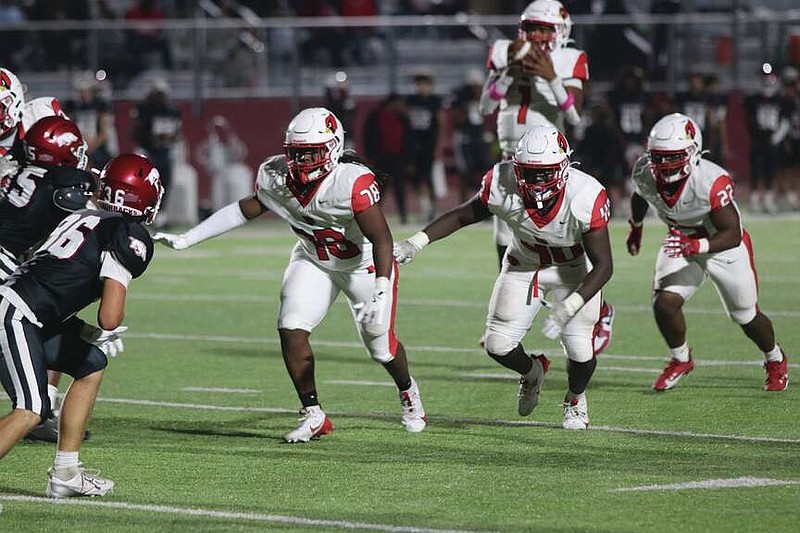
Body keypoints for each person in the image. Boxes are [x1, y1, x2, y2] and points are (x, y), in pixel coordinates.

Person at [153, 107, 426, 442]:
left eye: (311, 153)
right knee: (291, 327)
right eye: (297, 154)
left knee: (380, 347)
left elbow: (382, 239)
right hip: (313, 260)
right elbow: (245, 209)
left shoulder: (351, 182)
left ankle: (408, 392)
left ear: (333, 148)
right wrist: (188, 238)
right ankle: (313, 414)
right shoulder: (275, 175)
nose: (303, 162)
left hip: (363, 266)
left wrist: (382, 288)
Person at [395, 125, 613, 429]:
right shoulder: (501, 181)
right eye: (529, 171)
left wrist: (571, 304)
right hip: (524, 263)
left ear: (564, 167)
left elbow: (604, 266)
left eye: (545, 171)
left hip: (572, 270)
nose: (537, 180)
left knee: (579, 349)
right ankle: (532, 371)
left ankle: (575, 398)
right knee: (497, 343)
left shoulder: (585, 195)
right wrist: (415, 242)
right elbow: (461, 215)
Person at [0, 152, 162, 497]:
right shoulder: (124, 233)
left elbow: (59, 283)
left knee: (91, 364)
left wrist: (86, 334)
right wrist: (105, 327)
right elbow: (110, 316)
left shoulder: (82, 216)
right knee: (31, 408)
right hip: (15, 314)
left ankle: (66, 473)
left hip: (25, 310)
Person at [478, 1, 613, 355]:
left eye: (544, 29)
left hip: (549, 164)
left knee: (570, 240)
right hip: (512, 163)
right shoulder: (505, 54)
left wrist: (550, 77)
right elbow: (485, 107)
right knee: (505, 243)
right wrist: (509, 73)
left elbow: (576, 115)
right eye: (531, 28)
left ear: (561, 30)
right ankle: (508, 315)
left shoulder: (570, 59)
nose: (537, 36)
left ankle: (599, 306)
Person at [626, 113, 788, 392]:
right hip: (681, 240)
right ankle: (681, 359)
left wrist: (697, 247)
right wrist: (637, 226)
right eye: (658, 157)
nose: (663, 164)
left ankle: (775, 359)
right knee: (664, 303)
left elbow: (733, 233)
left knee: (745, 315)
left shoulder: (711, 181)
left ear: (692, 152)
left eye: (672, 156)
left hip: (722, 246)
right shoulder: (644, 172)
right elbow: (642, 194)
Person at [0, 116, 96, 443]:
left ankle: (35, 408)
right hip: (2, 263)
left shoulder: (18, 172)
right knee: (21, 317)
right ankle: (35, 409)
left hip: (8, 257)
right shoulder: (63, 188)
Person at [130, 77, 181, 225]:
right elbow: (136, 132)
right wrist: (150, 140)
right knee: (144, 185)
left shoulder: (172, 111)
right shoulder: (144, 110)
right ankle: (140, 214)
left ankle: (160, 217)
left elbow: (177, 133)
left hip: (164, 152)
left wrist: (167, 139)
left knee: (164, 184)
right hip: (147, 151)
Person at [405, 71, 444, 222]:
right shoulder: (411, 101)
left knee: (428, 178)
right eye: (420, 83)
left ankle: (433, 208)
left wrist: (438, 145)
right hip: (414, 145)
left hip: (429, 144)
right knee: (415, 177)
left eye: (425, 84)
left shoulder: (434, 101)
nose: (422, 87)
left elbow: (441, 123)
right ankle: (424, 207)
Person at [451, 70, 493, 202]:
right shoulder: (462, 100)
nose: (477, 90)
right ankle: (462, 203)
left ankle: (484, 201)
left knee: (485, 172)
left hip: (479, 140)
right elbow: (459, 120)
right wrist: (469, 105)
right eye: (474, 87)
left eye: (479, 87)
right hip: (465, 140)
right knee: (465, 173)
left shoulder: (484, 99)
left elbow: (488, 119)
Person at [63, 71, 118, 170]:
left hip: (99, 148)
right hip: (80, 146)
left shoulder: (101, 106)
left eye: (86, 91)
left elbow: (104, 132)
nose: (83, 95)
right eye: (81, 92)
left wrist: (92, 146)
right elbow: (68, 127)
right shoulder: (73, 107)